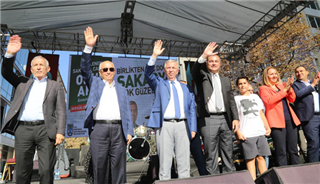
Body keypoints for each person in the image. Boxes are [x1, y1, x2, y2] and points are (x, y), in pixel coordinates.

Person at [1, 35, 66, 184]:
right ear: (30, 69)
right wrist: (9, 54)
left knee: (46, 171)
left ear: (48, 68)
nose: (38, 67)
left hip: (46, 129)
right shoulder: (22, 82)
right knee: (22, 171)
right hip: (23, 130)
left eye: (41, 65)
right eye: (35, 65)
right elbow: (6, 73)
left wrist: (60, 131)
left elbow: (61, 110)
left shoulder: (55, 86)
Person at [81, 27, 133, 184]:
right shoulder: (95, 83)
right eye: (105, 69)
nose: (108, 71)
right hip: (99, 129)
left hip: (119, 130)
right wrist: (89, 47)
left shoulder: (122, 90)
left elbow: (127, 113)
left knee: (119, 169)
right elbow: (84, 69)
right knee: (100, 167)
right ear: (100, 72)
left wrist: (129, 131)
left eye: (111, 69)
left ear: (115, 71)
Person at [145, 40, 197, 180]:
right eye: (168, 68)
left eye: (174, 67)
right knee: (165, 163)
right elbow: (148, 75)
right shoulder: (159, 84)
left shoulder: (185, 87)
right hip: (164, 126)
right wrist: (154, 55)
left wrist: (193, 128)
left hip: (183, 125)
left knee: (184, 163)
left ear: (178, 70)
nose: (171, 70)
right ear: (164, 70)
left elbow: (191, 109)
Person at [191, 42, 239, 175]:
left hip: (225, 118)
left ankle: (230, 179)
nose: (213, 63)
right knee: (211, 154)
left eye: (216, 61)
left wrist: (235, 118)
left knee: (228, 152)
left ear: (220, 64)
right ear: (207, 64)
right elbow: (194, 70)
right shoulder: (202, 76)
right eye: (210, 61)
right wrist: (204, 55)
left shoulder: (225, 80)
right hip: (208, 119)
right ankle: (213, 179)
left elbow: (231, 100)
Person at [259, 66, 301, 166]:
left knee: (293, 149)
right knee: (281, 150)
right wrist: (284, 91)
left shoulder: (282, 85)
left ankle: (297, 172)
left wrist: (289, 88)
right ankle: (284, 175)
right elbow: (269, 100)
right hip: (276, 122)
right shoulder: (263, 88)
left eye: (275, 73)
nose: (274, 76)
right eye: (271, 74)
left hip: (290, 120)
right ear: (266, 76)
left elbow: (292, 99)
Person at [235, 76, 271, 180]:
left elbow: (261, 113)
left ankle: (264, 180)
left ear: (248, 84)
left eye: (244, 83)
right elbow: (235, 118)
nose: (242, 85)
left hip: (259, 131)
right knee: (250, 158)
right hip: (246, 133)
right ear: (237, 86)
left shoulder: (255, 97)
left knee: (261, 157)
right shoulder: (236, 99)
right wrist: (238, 132)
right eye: (240, 84)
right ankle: (253, 181)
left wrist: (267, 127)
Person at [292, 66, 320, 162]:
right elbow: (298, 95)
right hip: (309, 117)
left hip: (319, 114)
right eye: (296, 72)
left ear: (307, 72)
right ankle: (313, 167)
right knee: (314, 142)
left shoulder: (313, 83)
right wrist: (312, 85)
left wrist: (316, 83)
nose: (299, 73)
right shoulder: (295, 85)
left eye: (301, 71)